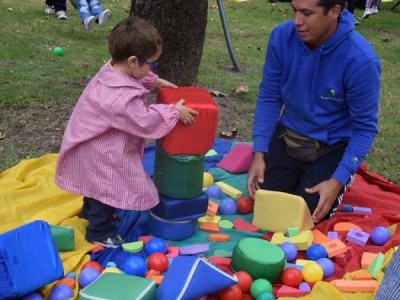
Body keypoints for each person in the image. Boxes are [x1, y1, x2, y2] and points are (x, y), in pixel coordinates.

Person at [55, 16, 198, 248]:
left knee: (95, 184)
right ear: (133, 61)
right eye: (153, 64)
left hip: (90, 143)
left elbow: (135, 78)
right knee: (107, 186)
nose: (153, 68)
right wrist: (174, 112)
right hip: (101, 152)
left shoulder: (112, 70)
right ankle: (100, 230)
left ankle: (88, 212)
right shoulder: (120, 98)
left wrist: (156, 81)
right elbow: (143, 121)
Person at [246, 0, 380, 224]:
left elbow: (364, 128)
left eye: (307, 13)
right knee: (265, 203)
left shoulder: (361, 60)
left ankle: (343, 177)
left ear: (334, 11)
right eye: (294, 10)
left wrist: (337, 179)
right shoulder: (280, 37)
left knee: (306, 217)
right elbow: (270, 96)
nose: (297, 21)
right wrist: (259, 152)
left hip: (331, 146)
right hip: (289, 134)